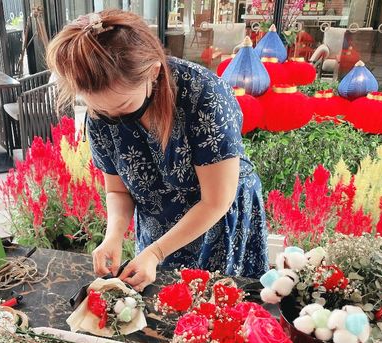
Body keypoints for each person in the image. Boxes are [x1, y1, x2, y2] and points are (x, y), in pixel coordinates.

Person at [47, 9, 268, 291]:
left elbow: (215, 201)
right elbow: (117, 190)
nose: (112, 118)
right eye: (100, 109)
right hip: (157, 221)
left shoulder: (204, 95)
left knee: (215, 313)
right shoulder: (100, 114)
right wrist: (113, 235)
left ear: (153, 71)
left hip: (216, 220)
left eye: (123, 108)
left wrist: (156, 252)